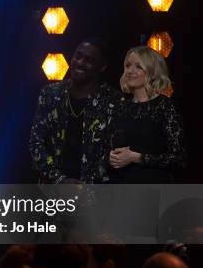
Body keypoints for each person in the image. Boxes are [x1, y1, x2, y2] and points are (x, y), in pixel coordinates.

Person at [29, 39, 122, 184]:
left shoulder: (113, 101)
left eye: (89, 60)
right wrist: (59, 180)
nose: (80, 63)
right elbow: (36, 142)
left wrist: (83, 186)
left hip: (95, 192)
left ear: (102, 67)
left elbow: (115, 152)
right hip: (52, 189)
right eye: (78, 56)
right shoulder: (50, 94)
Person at [109, 46, 186, 183]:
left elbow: (179, 158)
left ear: (152, 72)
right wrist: (110, 157)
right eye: (128, 65)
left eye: (138, 66)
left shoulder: (164, 106)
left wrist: (136, 157)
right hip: (121, 187)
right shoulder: (120, 107)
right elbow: (106, 147)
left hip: (154, 188)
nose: (130, 71)